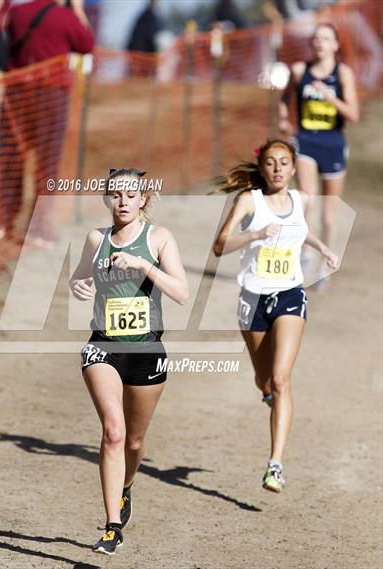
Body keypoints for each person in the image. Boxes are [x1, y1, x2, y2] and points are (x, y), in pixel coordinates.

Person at [70, 168, 188, 555]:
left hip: (147, 348)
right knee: (114, 432)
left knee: (135, 441)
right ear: (107, 200)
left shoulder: (158, 238)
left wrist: (143, 266)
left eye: (130, 195)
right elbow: (78, 278)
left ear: (143, 200)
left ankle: (125, 488)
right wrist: (81, 284)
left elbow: (182, 294)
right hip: (102, 345)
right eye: (115, 195)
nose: (122, 201)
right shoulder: (96, 238)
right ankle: (111, 526)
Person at [212, 139, 338, 493]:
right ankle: (267, 393)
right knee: (264, 381)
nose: (278, 168)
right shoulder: (248, 202)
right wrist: (254, 233)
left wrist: (323, 248)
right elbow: (219, 245)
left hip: (289, 295)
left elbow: (299, 229)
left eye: (284, 162)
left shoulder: (300, 200)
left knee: (282, 380)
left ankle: (275, 465)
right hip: (252, 299)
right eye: (271, 162)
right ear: (262, 168)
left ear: (294, 168)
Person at [0, 0, 94, 245]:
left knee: (11, 159)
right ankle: (38, 229)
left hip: (16, 92)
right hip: (51, 95)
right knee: (47, 164)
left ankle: (2, 223)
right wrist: (79, 10)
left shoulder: (17, 13)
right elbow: (86, 44)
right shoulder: (65, 17)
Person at [278, 23, 359, 288]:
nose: (320, 42)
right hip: (306, 140)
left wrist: (328, 96)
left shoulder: (342, 73)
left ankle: (326, 263)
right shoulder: (300, 70)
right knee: (306, 200)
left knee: (328, 215)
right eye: (316, 38)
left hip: (334, 143)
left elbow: (353, 115)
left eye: (326, 38)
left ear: (335, 45)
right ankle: (305, 254)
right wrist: (283, 118)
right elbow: (285, 97)